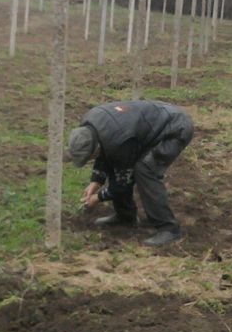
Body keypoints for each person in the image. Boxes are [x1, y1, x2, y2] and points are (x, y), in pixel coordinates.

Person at [68, 100, 194, 246]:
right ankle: (125, 216)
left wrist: (99, 197)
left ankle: (169, 229)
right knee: (120, 161)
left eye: (89, 157)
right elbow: (105, 153)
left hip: (175, 128)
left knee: (145, 170)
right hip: (150, 125)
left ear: (95, 148)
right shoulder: (90, 127)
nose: (90, 160)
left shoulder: (120, 140)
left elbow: (123, 182)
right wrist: (96, 181)